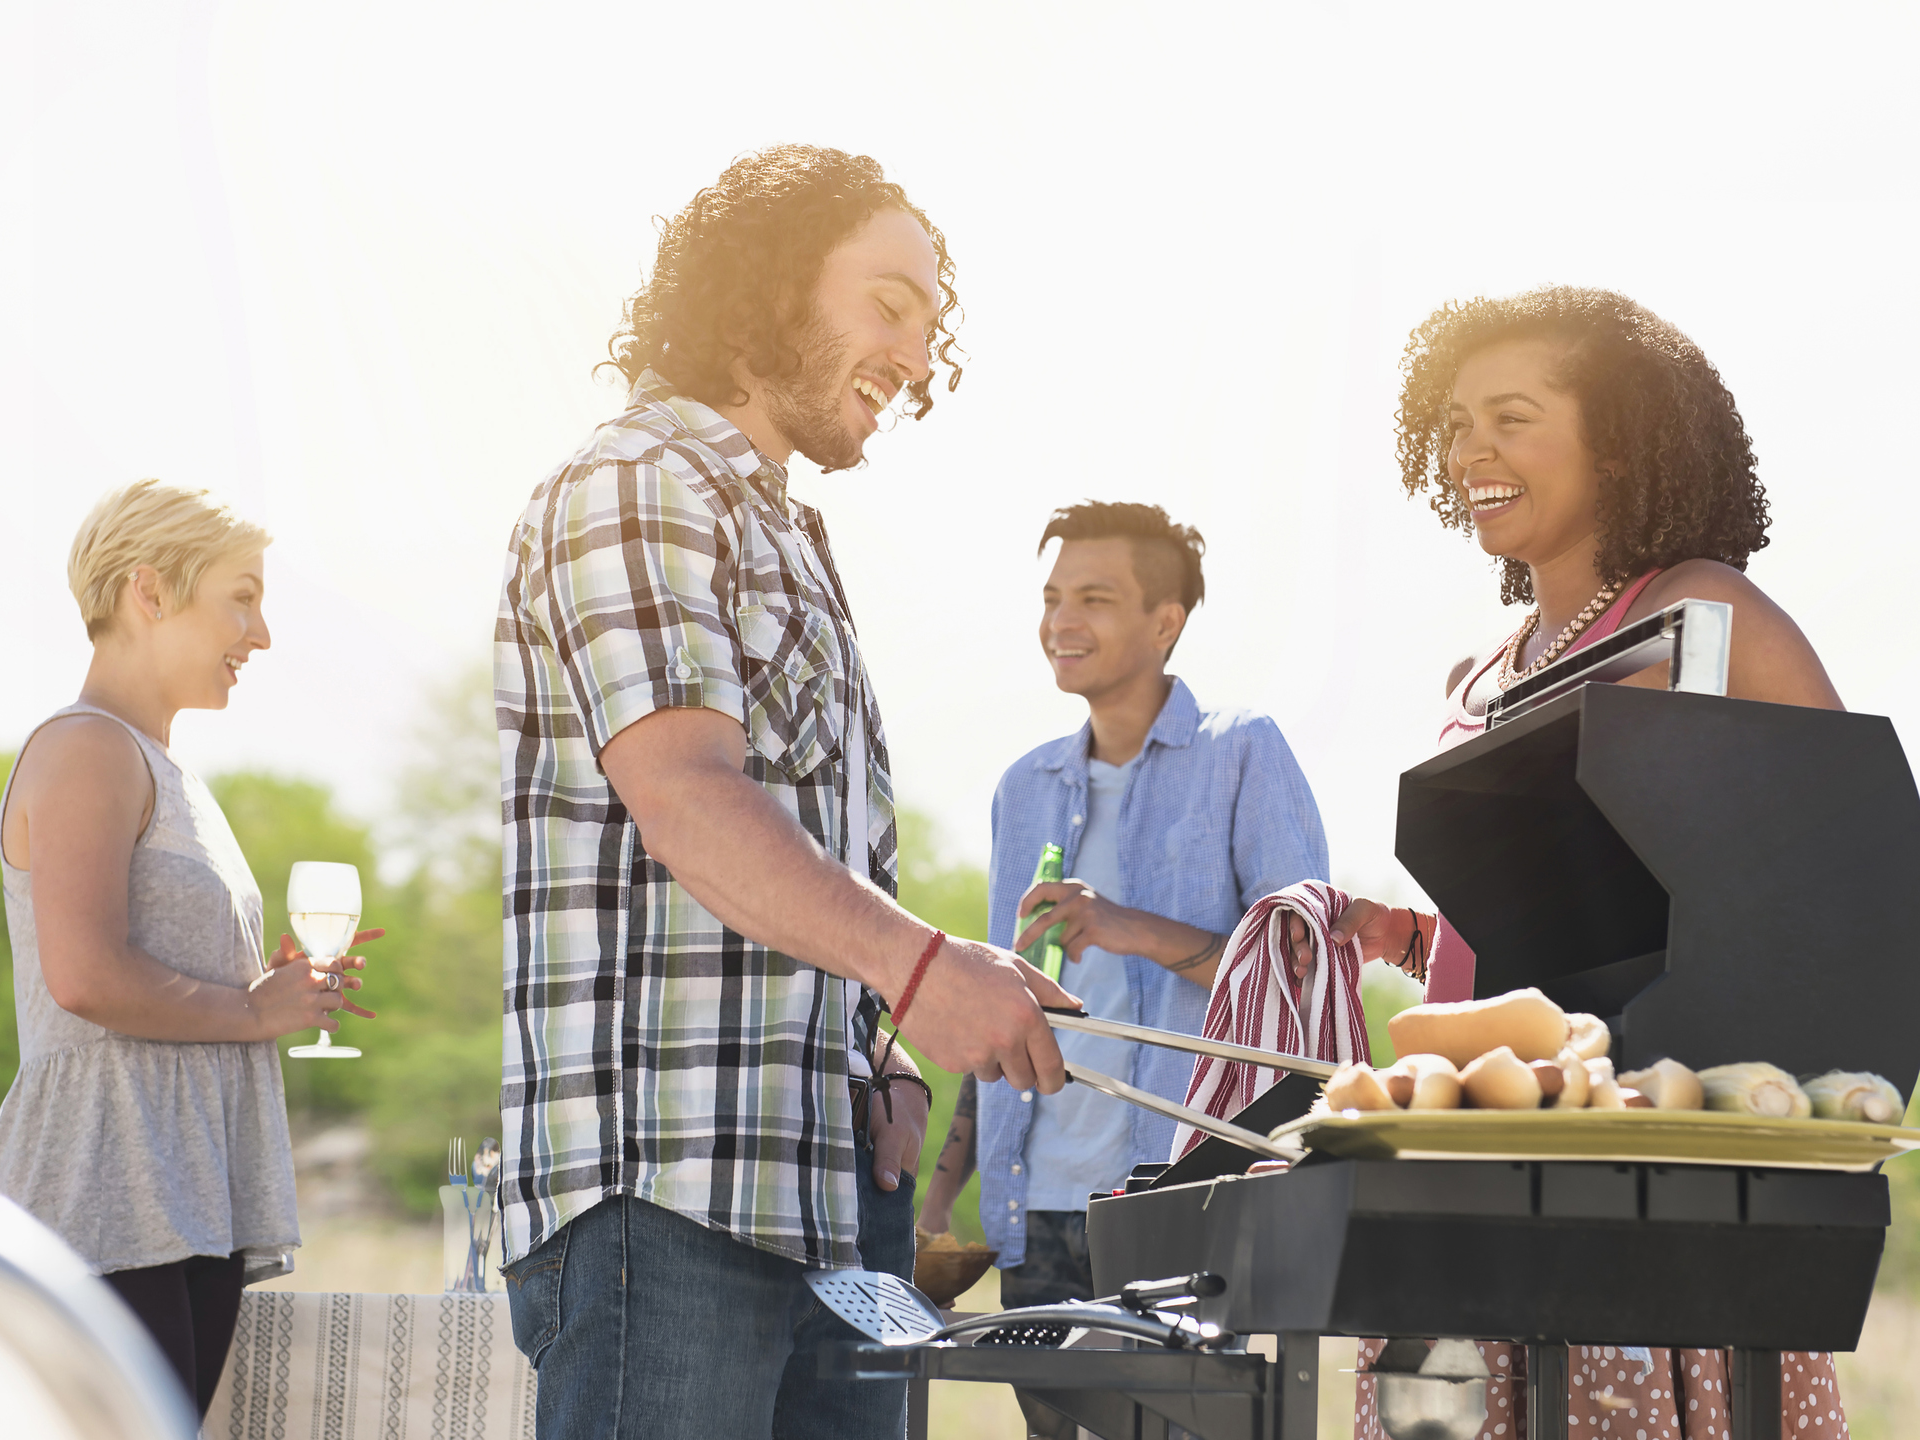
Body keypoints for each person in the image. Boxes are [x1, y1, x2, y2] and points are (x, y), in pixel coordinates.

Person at [492, 145, 1077, 1440]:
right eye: (887, 302)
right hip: (670, 1202)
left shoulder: (784, 535)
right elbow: (688, 798)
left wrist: (877, 1049)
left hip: (826, 1205)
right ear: (762, 293)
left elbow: (791, 869)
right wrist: (926, 971)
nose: (916, 355)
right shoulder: (638, 486)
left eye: (930, 324)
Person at [1284, 287, 1846, 1439]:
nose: (1471, 450)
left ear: (1618, 441)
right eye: (1454, 423)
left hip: (1645, 1165)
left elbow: (1844, 862)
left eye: (1512, 416)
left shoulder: (1708, 615)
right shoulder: (1476, 672)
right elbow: (1556, 910)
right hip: (1466, 1155)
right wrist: (1420, 938)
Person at [915, 501, 1329, 1440]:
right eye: (1054, 597)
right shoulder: (1024, 789)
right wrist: (945, 1193)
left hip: (1178, 1202)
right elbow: (1002, 1000)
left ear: (1165, 620)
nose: (1063, 621)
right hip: (1037, 1209)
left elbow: (1303, 987)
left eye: (1094, 598)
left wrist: (1131, 929)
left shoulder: (1243, 753)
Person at [0, 479, 377, 1416]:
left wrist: (263, 986)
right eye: (242, 597)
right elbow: (81, 975)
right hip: (104, 1196)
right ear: (149, 592)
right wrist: (249, 1009)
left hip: (177, 1193)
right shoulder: (85, 747)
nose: (262, 633)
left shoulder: (161, 767)